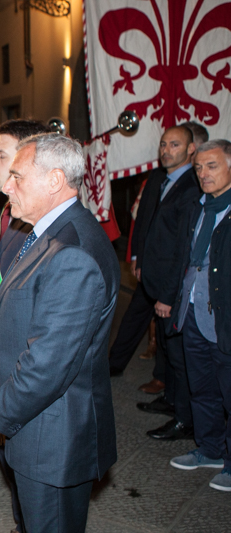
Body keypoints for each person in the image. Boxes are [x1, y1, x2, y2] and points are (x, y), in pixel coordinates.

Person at [0, 133, 120, 532]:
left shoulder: (73, 250)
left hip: (52, 435)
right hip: (37, 426)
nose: (7, 186)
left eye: (18, 177)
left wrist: (0, 411)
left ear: (55, 180)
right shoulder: (48, 232)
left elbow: (49, 364)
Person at [0, 118, 48, 533]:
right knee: (14, 475)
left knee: (32, 490)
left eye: (1, 154)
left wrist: (6, 383)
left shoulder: (37, 223)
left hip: (16, 378)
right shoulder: (7, 211)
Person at [168, 139, 231, 492]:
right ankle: (210, 449)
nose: (203, 174)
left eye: (212, 166)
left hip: (224, 317)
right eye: (199, 168)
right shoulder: (199, 207)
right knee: (201, 388)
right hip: (192, 311)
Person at [134, 126, 201, 441]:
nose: (166, 149)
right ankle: (172, 401)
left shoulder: (190, 186)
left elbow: (182, 249)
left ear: (191, 150)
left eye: (175, 144)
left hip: (171, 289)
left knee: (179, 356)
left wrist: (169, 295)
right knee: (167, 349)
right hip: (157, 281)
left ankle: (186, 420)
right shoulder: (164, 180)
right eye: (163, 143)